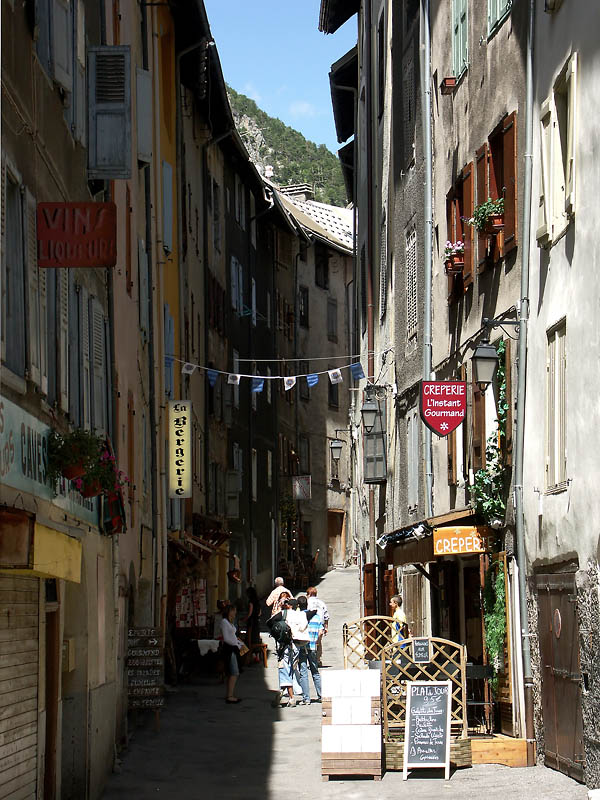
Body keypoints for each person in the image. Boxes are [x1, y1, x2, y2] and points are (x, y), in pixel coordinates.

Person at [267, 592, 297, 707]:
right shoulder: (298, 615)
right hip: (296, 645)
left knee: (283, 669)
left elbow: (269, 622)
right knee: (290, 670)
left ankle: (289, 697)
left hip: (284, 645)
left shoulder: (283, 614)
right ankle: (287, 695)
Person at [298, 595, 322, 703]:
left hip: (302, 646)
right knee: (315, 671)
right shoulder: (316, 617)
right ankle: (321, 695)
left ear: (299, 606)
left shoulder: (299, 616)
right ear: (307, 604)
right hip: (313, 646)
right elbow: (321, 631)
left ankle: (306, 698)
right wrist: (317, 641)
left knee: (303, 672)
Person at [220, 604, 245, 703]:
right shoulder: (224, 622)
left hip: (234, 647)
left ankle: (230, 694)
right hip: (230, 648)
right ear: (229, 612)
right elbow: (226, 638)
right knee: (234, 672)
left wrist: (239, 644)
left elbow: (233, 636)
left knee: (234, 671)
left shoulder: (230, 622)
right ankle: (230, 695)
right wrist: (236, 644)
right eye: (233, 610)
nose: (235, 613)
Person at [306, 586, 328, 665]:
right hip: (320, 625)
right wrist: (326, 626)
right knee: (318, 642)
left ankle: (310, 659)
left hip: (310, 624)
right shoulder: (321, 603)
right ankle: (318, 660)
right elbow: (326, 615)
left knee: (308, 642)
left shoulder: (307, 602)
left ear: (309, 594)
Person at [242, 586, 261, 657]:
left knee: (250, 638)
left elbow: (250, 613)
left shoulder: (251, 602)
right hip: (257, 621)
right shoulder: (257, 602)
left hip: (252, 622)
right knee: (256, 637)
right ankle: (257, 655)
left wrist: (244, 619)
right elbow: (259, 613)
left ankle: (250, 655)